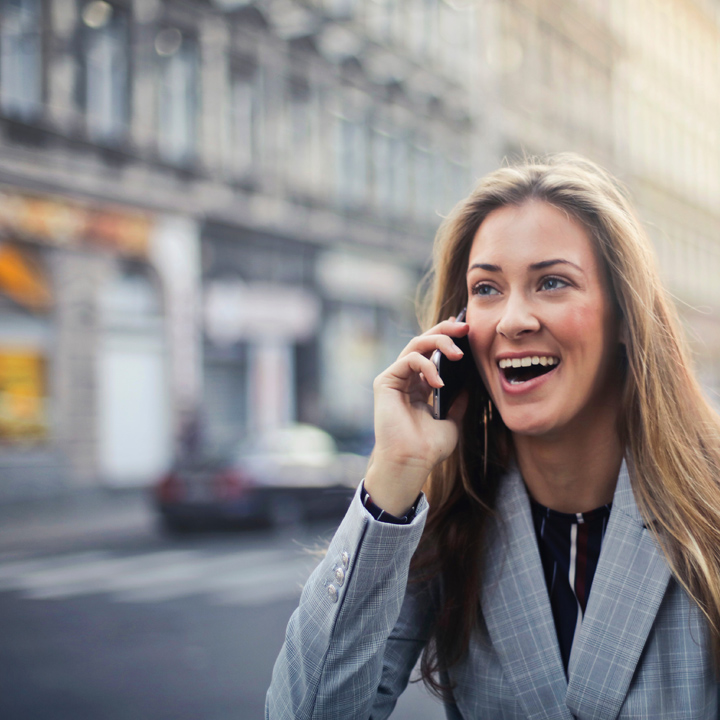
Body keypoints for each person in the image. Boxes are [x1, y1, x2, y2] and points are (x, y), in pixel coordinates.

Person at [266, 154, 720, 719]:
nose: (512, 320)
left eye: (552, 282)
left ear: (625, 317)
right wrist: (393, 475)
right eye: (486, 289)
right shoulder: (452, 520)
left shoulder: (708, 504)